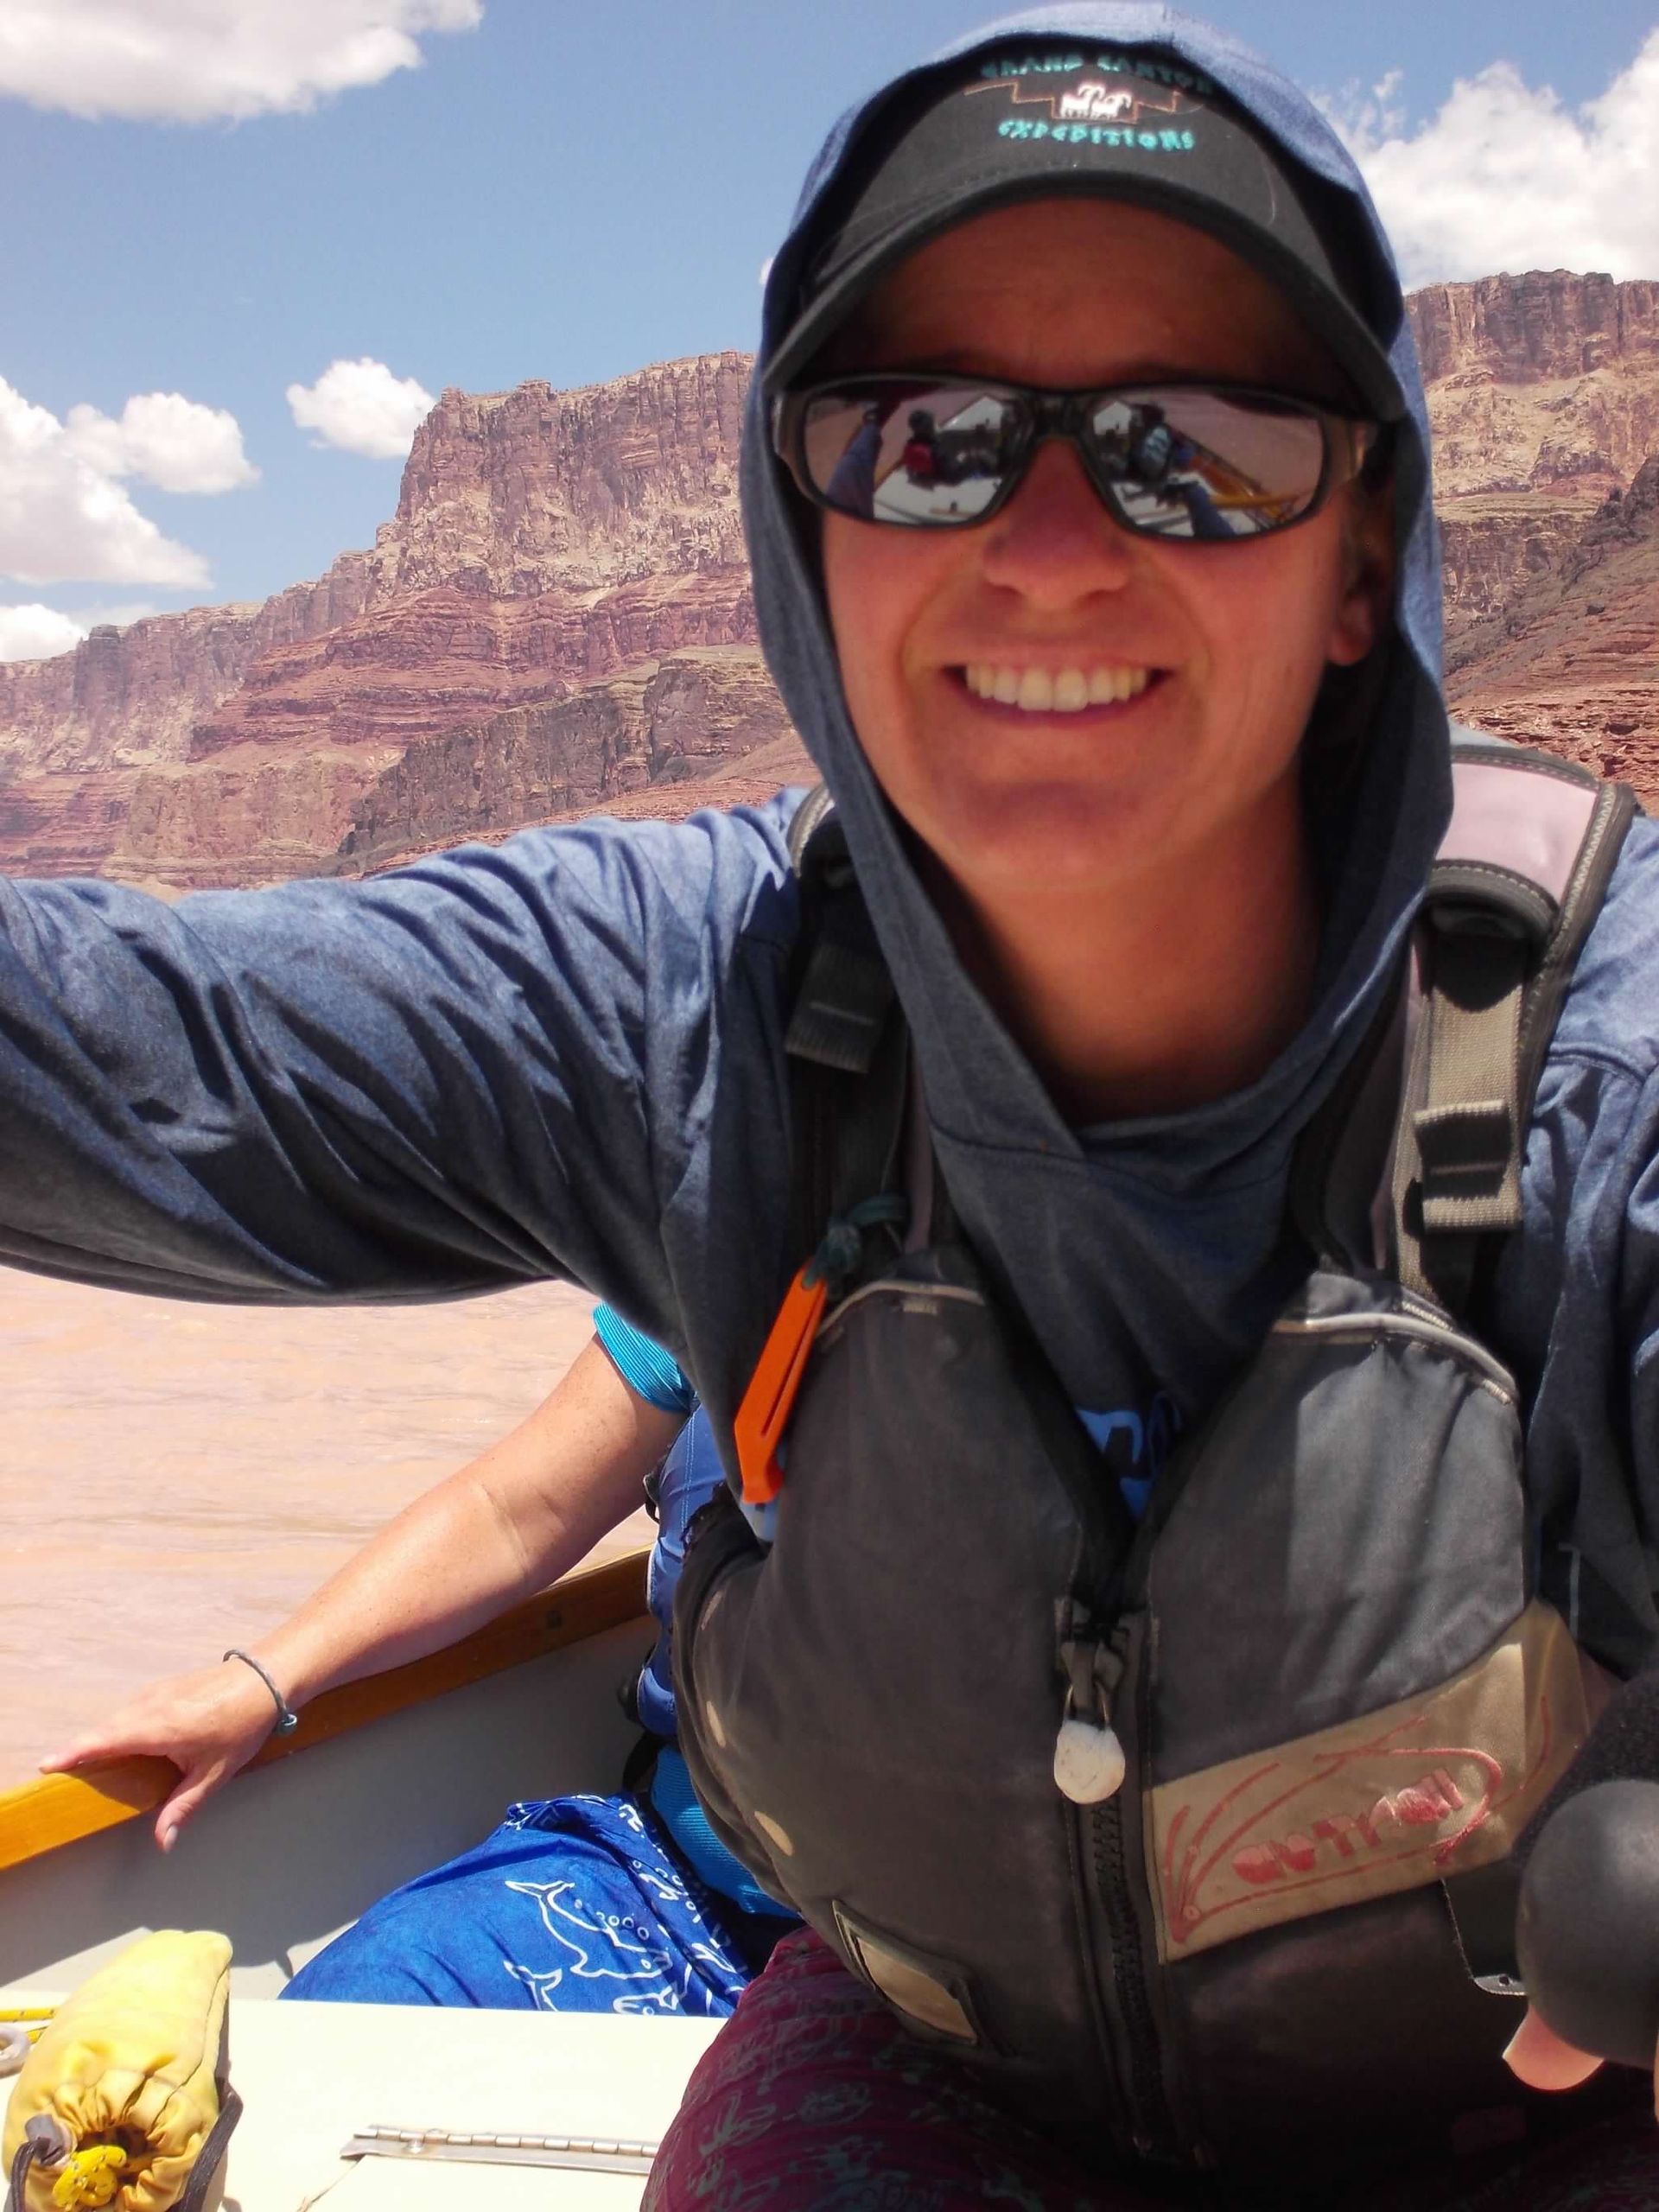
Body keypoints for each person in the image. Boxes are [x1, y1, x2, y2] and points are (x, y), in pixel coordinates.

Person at [3, 6, 1659, 2203]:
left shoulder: (1594, 1063)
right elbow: (124, 1048)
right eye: (928, 436)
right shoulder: (694, 1010)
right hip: (935, 2073)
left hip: (1510, 2123)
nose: (1056, 542)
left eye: (1201, 443)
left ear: (1362, 556)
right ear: (808, 534)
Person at [42, 1310, 791, 2014]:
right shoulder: (727, 1247)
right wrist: (264, 1681)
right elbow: (511, 1514)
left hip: (897, 1976)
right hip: (669, 1898)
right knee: (351, 2018)